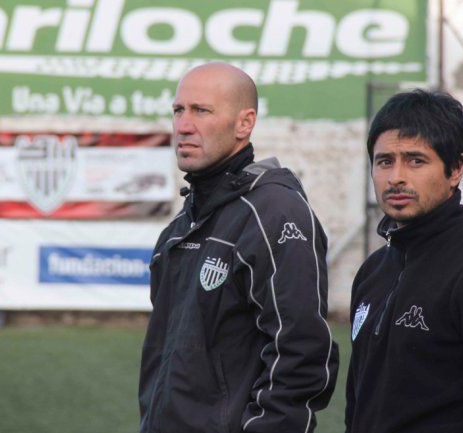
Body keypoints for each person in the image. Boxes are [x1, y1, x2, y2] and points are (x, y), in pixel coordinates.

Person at [138, 62, 338, 433]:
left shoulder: (275, 213)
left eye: (202, 111)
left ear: (244, 123)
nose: (183, 126)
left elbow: (302, 356)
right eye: (178, 110)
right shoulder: (178, 231)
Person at [345, 89, 463, 433]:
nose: (396, 178)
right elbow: (357, 406)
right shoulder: (373, 272)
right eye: (384, 161)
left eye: (416, 160)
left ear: (455, 170)